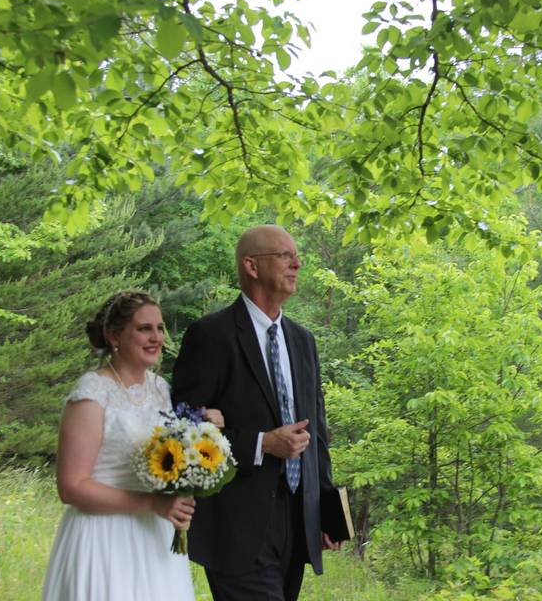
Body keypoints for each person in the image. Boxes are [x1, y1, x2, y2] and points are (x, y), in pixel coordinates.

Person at [171, 224, 340, 601]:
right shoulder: (210, 336)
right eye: (285, 255)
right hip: (237, 526)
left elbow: (319, 432)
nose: (297, 263)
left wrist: (327, 508)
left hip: (297, 522)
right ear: (251, 265)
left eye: (297, 256)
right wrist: (263, 444)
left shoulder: (303, 340)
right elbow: (185, 435)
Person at [42, 291, 210, 600]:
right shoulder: (92, 392)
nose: (156, 337)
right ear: (113, 335)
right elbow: (71, 487)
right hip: (103, 537)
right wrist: (152, 504)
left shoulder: (160, 389)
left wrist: (204, 431)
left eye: (160, 328)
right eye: (144, 328)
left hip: (154, 539)